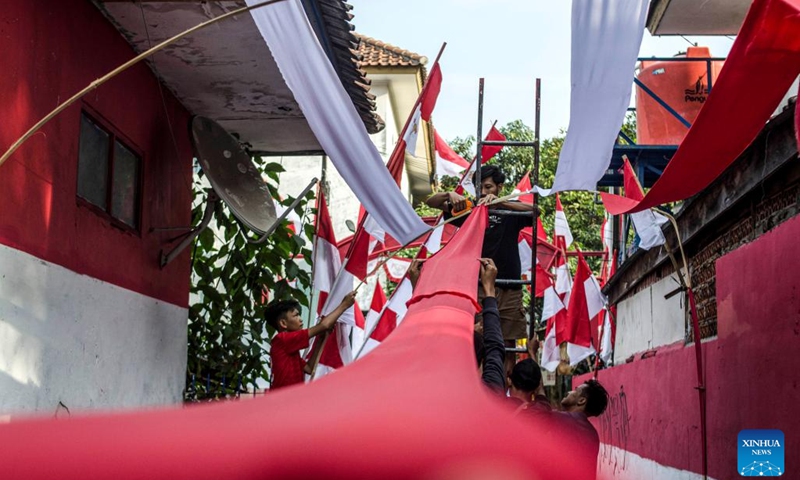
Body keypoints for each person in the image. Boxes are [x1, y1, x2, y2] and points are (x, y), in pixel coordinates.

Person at [427, 165, 535, 374]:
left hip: (509, 287)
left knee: (507, 345)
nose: (484, 193)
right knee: (478, 341)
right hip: (478, 286)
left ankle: (500, 392)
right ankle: (479, 387)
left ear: (499, 187)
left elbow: (535, 211)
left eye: (488, 187)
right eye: (480, 188)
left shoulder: (508, 210)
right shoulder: (470, 209)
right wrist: (451, 194)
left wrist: (500, 202)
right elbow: (431, 201)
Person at [265, 291, 356, 390]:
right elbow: (324, 325)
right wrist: (344, 305)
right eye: (296, 316)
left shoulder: (289, 347)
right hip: (284, 400)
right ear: (283, 323)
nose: (300, 319)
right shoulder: (282, 339)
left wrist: (320, 339)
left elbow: (309, 368)